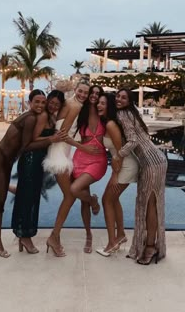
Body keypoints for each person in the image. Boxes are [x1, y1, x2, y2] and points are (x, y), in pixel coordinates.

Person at [0, 89, 67, 258]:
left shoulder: (38, 116)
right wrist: (50, 139)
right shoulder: (32, 118)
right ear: (29, 102)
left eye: (43, 102)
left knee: (6, 196)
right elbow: (26, 146)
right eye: (37, 102)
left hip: (6, 161)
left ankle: (19, 236)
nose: (41, 105)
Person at [43, 79, 101, 257]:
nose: (83, 95)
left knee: (69, 196)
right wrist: (83, 147)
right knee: (69, 196)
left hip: (63, 152)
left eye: (86, 92)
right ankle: (54, 236)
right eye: (81, 91)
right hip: (59, 154)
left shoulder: (71, 103)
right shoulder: (74, 106)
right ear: (76, 90)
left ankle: (56, 236)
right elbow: (62, 135)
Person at [115, 88, 167, 264]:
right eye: (118, 96)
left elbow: (133, 141)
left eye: (123, 97)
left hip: (151, 163)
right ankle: (151, 245)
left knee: (148, 205)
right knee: (152, 204)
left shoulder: (123, 114)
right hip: (158, 160)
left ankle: (150, 247)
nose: (119, 99)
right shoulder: (132, 114)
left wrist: (118, 155)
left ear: (129, 101)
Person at [11, 90, 65, 254]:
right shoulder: (40, 117)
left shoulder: (49, 116)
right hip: (30, 161)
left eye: (57, 104)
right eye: (51, 102)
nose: (51, 105)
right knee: (27, 199)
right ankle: (24, 236)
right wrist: (51, 139)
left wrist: (53, 136)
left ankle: (24, 235)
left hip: (37, 161)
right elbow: (29, 143)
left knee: (32, 198)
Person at [95, 93, 139, 257]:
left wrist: (114, 175)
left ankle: (111, 242)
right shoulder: (108, 122)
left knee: (107, 200)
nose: (99, 106)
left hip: (125, 165)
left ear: (110, 106)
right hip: (122, 165)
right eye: (98, 103)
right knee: (113, 199)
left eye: (103, 104)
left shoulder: (112, 124)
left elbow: (120, 152)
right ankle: (120, 235)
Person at [69, 85, 107, 253]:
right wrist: (82, 147)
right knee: (83, 199)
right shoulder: (80, 112)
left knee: (75, 189)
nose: (94, 96)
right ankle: (89, 235)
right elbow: (65, 134)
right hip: (80, 157)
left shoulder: (104, 114)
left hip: (98, 160)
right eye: (92, 93)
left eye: (98, 94)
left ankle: (93, 200)